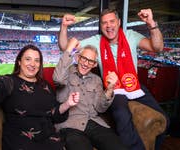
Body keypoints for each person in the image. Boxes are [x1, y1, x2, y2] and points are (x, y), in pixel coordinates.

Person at [58, 8, 169, 150]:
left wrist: (151, 23)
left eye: (112, 21)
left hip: (133, 84)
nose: (109, 26)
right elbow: (64, 47)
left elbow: (158, 47)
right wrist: (64, 27)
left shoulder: (131, 36)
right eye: (104, 23)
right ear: (101, 26)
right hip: (114, 89)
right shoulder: (96, 41)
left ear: (119, 22)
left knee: (165, 119)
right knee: (122, 115)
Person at [0, 27, 80, 150]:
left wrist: (68, 103)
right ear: (19, 62)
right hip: (20, 140)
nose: (32, 64)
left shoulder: (45, 85)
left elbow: (54, 112)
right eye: (28, 59)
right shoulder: (10, 82)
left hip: (48, 138)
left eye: (37, 60)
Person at [53, 37, 129, 150]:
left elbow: (100, 108)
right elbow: (58, 79)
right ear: (78, 58)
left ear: (94, 65)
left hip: (94, 123)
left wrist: (109, 89)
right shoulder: (66, 73)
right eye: (84, 58)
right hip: (71, 125)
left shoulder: (96, 80)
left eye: (91, 61)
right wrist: (69, 48)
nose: (86, 64)